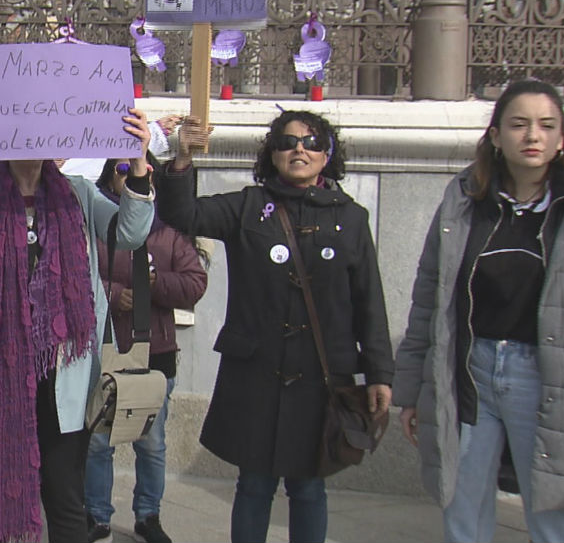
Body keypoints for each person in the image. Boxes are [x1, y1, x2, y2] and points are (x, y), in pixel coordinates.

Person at [158, 110, 394, 543]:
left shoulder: (351, 219)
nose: (299, 149)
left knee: (308, 486)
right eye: (287, 142)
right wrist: (182, 158)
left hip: (321, 376)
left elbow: (369, 300)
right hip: (257, 373)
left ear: (327, 154)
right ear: (272, 153)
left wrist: (380, 372)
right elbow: (182, 214)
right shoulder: (249, 207)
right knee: (254, 483)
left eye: (311, 142)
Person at [394, 80, 564, 543]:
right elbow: (430, 299)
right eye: (519, 124)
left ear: (562, 139)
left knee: (556, 514)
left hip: (550, 376)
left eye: (546, 125)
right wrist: (411, 390)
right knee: (463, 506)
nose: (533, 136)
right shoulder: (465, 199)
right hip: (471, 373)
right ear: (495, 136)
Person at [0, 109, 156, 543]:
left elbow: (129, 235)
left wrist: (138, 167)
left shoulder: (78, 193)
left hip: (63, 370)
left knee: (64, 494)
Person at [85, 154, 207, 543]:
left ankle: (148, 515)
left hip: (155, 353)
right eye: (122, 169)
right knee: (98, 442)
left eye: (141, 168)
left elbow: (195, 283)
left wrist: (155, 285)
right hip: (105, 350)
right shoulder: (96, 225)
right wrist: (113, 294)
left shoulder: (168, 233)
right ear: (110, 177)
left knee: (151, 443)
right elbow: (77, 277)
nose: (134, 174)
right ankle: (96, 516)